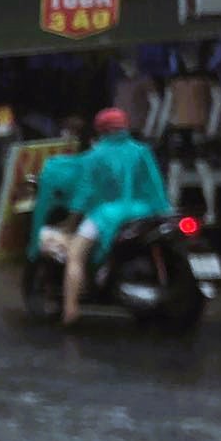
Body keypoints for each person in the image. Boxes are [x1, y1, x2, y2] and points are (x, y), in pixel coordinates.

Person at [62, 107, 172, 325]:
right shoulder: (142, 150)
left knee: (75, 253)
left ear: (101, 131)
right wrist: (164, 211)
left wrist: (70, 222)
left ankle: (70, 308)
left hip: (108, 215)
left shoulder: (95, 155)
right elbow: (156, 185)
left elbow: (84, 193)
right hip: (145, 212)